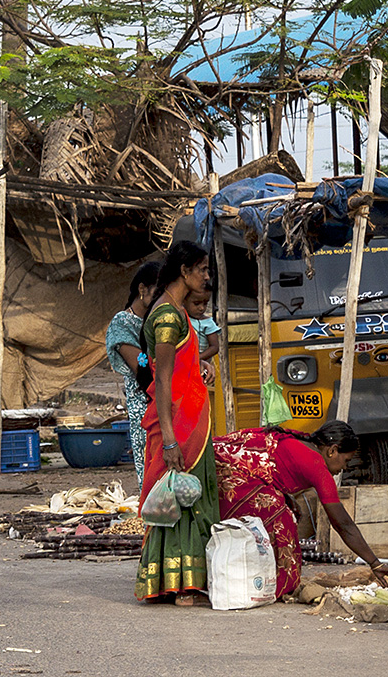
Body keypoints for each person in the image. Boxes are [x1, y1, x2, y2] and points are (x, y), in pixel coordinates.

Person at [213, 421, 388, 598]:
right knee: (282, 519)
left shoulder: (299, 442)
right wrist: (375, 563)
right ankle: (280, 586)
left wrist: (286, 496)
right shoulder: (317, 466)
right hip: (228, 473)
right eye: (346, 460)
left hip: (221, 460)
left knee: (284, 507)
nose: (344, 467)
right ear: (332, 451)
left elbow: (269, 467)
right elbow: (342, 523)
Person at [134, 241, 219, 606]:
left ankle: (179, 581)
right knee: (184, 500)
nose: (206, 276)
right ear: (184, 271)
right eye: (201, 269)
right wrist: (169, 440)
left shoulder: (176, 312)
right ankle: (182, 587)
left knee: (186, 497)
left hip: (191, 419)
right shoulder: (168, 316)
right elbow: (164, 380)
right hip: (180, 426)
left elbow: (180, 370)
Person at [105, 260, 162, 487]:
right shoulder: (122, 324)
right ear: (142, 289)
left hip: (168, 399)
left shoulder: (160, 318)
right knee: (150, 468)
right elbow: (140, 365)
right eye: (157, 291)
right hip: (144, 405)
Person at [186, 290, 219, 366]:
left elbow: (214, 347)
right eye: (196, 304)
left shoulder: (208, 323)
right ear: (184, 300)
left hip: (200, 365)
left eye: (205, 304)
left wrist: (198, 358)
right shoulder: (181, 318)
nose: (202, 308)